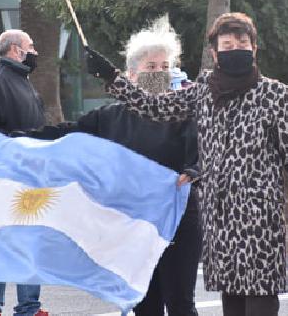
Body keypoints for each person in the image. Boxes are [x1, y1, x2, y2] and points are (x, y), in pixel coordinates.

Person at [86, 12, 288, 316]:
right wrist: (111, 77)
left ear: (254, 48)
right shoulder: (202, 93)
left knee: (261, 300)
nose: (235, 48)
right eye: (226, 44)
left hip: (260, 217)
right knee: (232, 302)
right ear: (214, 53)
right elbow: (153, 108)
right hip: (219, 218)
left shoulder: (275, 94)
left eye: (242, 42)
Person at [24, 16, 201, 316]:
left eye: (164, 67)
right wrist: (16, 139)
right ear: (131, 75)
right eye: (151, 67)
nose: (159, 73)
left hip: (178, 220)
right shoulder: (109, 117)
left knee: (181, 302)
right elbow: (68, 134)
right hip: (132, 221)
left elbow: (199, 147)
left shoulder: (184, 112)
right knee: (145, 304)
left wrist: (194, 167)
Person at [0, 30, 50, 316]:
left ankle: (28, 306)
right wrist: (13, 150)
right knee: (1, 238)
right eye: (31, 46)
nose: (35, 51)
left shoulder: (20, 80)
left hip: (27, 172)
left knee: (27, 239)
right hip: (5, 173)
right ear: (15, 50)